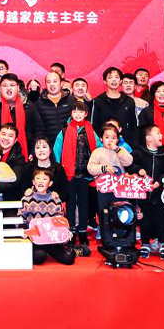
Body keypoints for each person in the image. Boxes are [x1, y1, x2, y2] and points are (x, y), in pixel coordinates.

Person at [53, 101, 99, 252]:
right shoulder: (64, 130)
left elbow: (98, 148)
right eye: (75, 111)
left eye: (81, 111)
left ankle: (83, 231)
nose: (78, 114)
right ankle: (71, 230)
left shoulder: (90, 130)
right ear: (71, 114)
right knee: (71, 203)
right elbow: (57, 150)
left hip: (85, 173)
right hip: (69, 174)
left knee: (84, 203)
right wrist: (59, 169)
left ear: (86, 114)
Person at [130, 124, 164, 260]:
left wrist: (160, 181)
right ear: (148, 138)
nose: (161, 136)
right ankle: (145, 243)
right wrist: (138, 170)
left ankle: (163, 244)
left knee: (161, 219)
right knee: (144, 219)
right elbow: (129, 165)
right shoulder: (138, 153)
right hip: (143, 193)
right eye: (158, 133)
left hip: (159, 194)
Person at [21, 168, 75, 266]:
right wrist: (25, 232)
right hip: (35, 239)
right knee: (39, 258)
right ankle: (43, 252)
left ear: (50, 183)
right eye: (38, 178)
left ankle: (74, 249)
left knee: (69, 259)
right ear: (33, 182)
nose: (41, 181)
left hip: (51, 238)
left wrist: (66, 231)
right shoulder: (26, 199)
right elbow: (21, 219)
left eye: (45, 179)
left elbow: (60, 220)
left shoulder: (55, 199)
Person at [27, 71, 73, 150]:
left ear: (61, 84)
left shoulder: (71, 100)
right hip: (48, 146)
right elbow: (37, 127)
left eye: (55, 81)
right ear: (45, 85)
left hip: (69, 144)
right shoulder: (39, 103)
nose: (52, 84)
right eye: (49, 82)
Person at [91, 67, 136, 136]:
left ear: (120, 81)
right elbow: (94, 126)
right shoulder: (98, 101)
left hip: (125, 141)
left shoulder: (129, 101)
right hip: (104, 141)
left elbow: (134, 126)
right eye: (110, 77)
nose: (114, 80)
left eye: (116, 77)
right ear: (105, 81)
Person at [31, 136, 68, 201]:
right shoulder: (28, 168)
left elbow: (65, 193)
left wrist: (58, 195)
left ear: (50, 150)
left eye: (44, 147)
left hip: (53, 204)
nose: (41, 150)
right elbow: (22, 190)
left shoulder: (59, 169)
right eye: (38, 148)